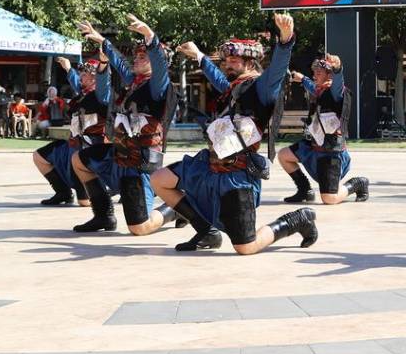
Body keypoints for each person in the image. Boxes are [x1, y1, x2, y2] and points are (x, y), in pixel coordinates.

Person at [146, 13, 319, 254]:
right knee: (159, 179)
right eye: (226, 60)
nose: (227, 63)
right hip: (208, 165)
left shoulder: (262, 87)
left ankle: (295, 221)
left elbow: (278, 68)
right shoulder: (234, 88)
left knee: (245, 247)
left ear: (250, 62)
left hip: (237, 174)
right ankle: (206, 231)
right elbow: (219, 79)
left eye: (234, 60)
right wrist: (199, 56)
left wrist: (286, 39)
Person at [70, 15, 176, 234]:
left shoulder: (158, 86)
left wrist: (149, 36)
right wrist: (101, 42)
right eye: (136, 56)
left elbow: (159, 64)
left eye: (142, 56)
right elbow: (117, 62)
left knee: (139, 228)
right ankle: (103, 215)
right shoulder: (134, 82)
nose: (136, 59)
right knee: (79, 159)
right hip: (119, 153)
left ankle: (175, 208)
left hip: (140, 161)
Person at [278, 55, 370, 205]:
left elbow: (338, 80)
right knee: (283, 155)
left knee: (329, 199)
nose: (314, 76)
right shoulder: (318, 89)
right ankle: (305, 190)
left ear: (329, 75)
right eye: (314, 73)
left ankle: (357, 184)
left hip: (330, 151)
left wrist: (338, 68)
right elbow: (310, 85)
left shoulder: (335, 91)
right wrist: (301, 78)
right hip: (313, 146)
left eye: (318, 73)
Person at [33, 58, 102, 207]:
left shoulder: (102, 95)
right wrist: (68, 68)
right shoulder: (83, 93)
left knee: (85, 202)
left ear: (95, 77)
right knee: (39, 157)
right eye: (81, 73)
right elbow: (77, 84)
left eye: (85, 73)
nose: (81, 75)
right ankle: (63, 192)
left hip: (90, 148)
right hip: (73, 144)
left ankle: (105, 191)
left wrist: (103, 62)